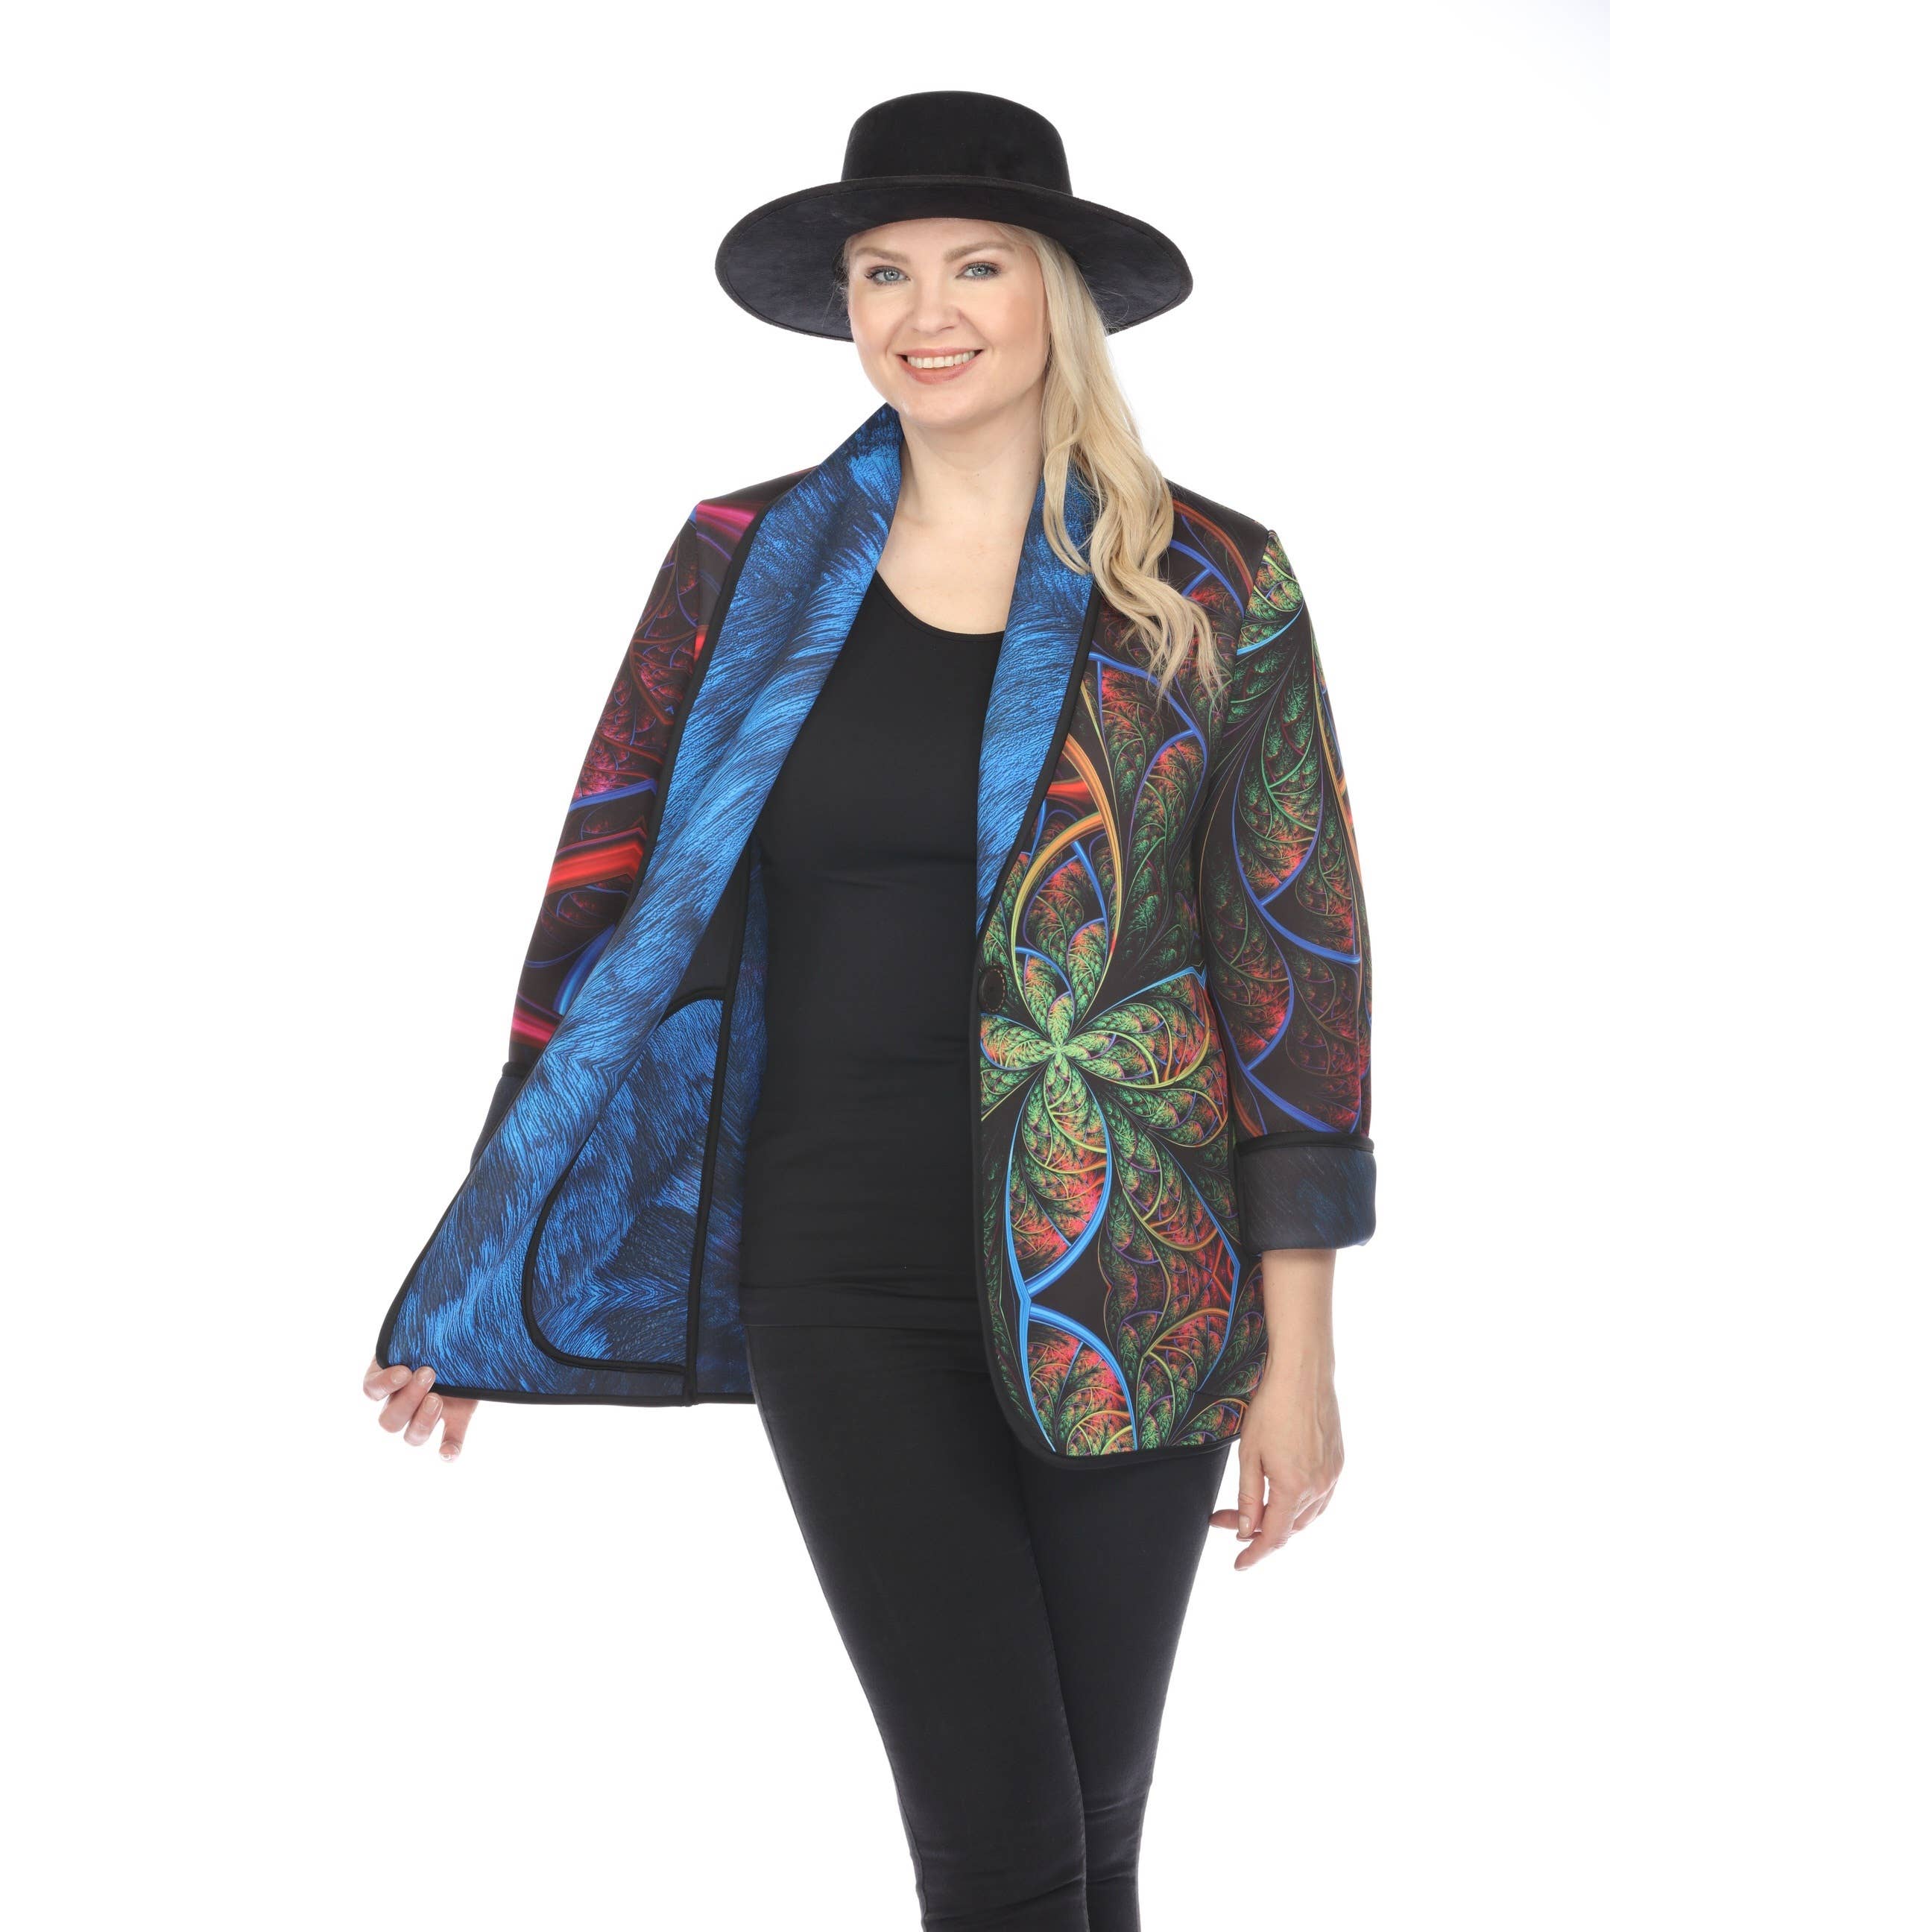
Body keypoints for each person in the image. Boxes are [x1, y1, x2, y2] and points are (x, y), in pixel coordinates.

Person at [364, 91, 1374, 1931]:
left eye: (976, 267)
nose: (927, 313)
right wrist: (485, 1252)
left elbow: (1295, 975)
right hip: (837, 1263)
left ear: (1056, 295)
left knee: (1094, 1828)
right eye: (883, 274)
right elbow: (607, 907)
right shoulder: (744, 560)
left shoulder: (1211, 582)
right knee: (999, 1839)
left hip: (1133, 1272)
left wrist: (1300, 1363)